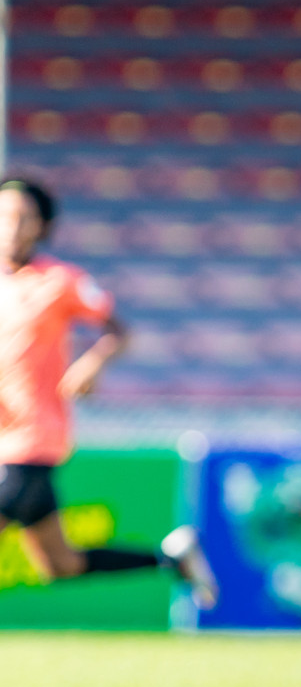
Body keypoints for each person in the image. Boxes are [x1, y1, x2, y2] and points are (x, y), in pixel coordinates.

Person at [0, 177, 217, 606]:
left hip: (32, 441)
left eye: (24, 218)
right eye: (5, 216)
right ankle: (172, 560)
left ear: (42, 227)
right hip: (5, 440)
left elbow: (117, 330)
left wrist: (92, 362)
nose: (12, 227)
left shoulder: (60, 281)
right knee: (59, 564)